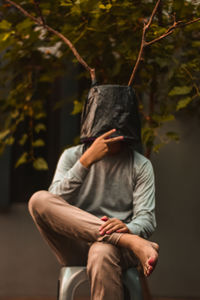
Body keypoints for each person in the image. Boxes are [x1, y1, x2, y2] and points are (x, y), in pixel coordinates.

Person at [28, 128, 159, 300]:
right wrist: (85, 162)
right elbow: (54, 204)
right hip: (76, 244)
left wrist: (128, 227)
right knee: (38, 200)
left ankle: (120, 239)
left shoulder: (140, 165)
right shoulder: (71, 156)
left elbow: (147, 219)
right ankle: (128, 240)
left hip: (117, 251)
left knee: (102, 252)